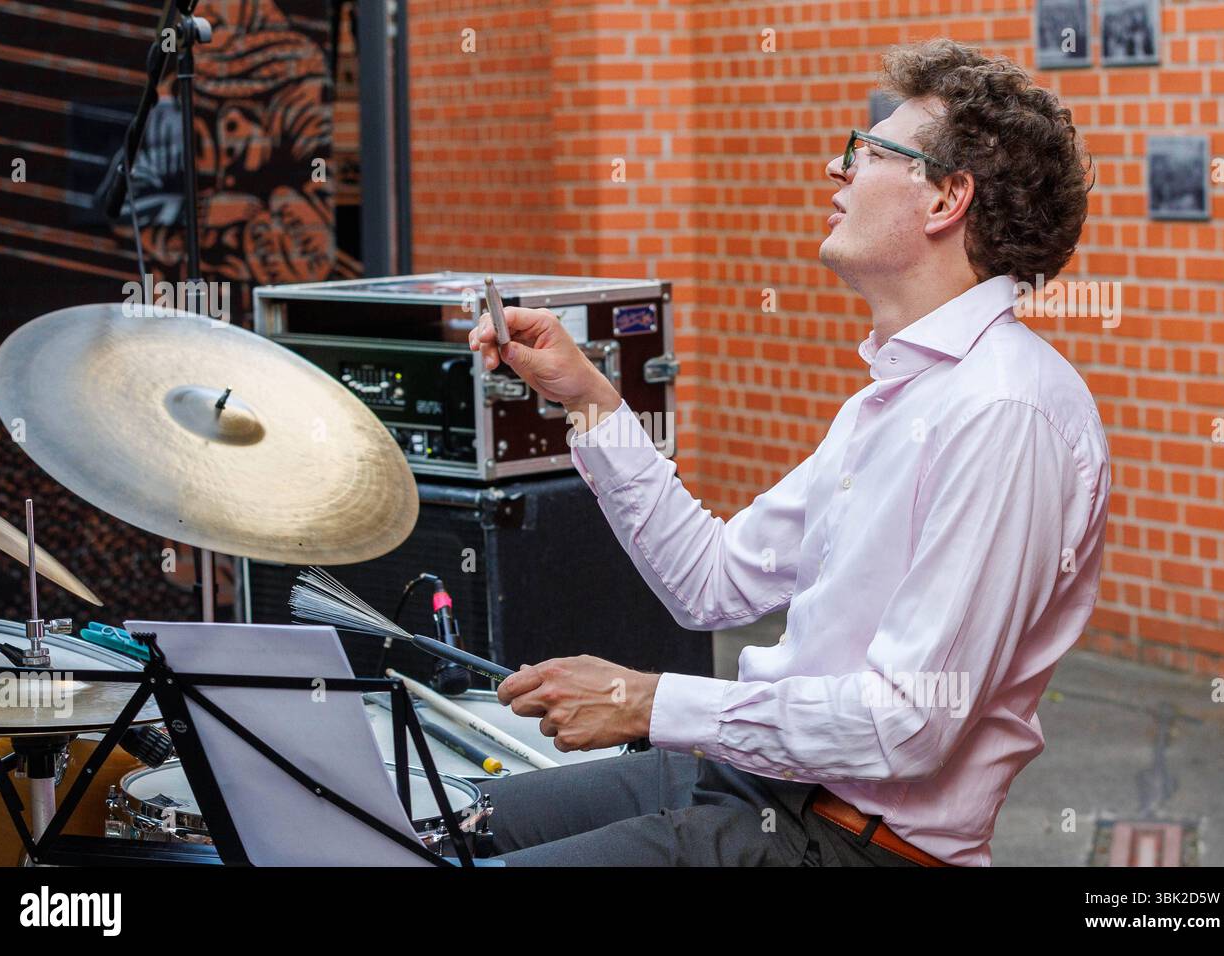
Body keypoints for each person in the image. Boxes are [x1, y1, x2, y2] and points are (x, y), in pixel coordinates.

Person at [466, 38, 1109, 867]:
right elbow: (712, 581)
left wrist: (650, 701)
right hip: (769, 781)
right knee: (441, 824)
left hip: (852, 841)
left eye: (868, 152)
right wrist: (590, 400)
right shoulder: (903, 391)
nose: (835, 173)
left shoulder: (1003, 413)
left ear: (948, 198)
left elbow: (905, 726)